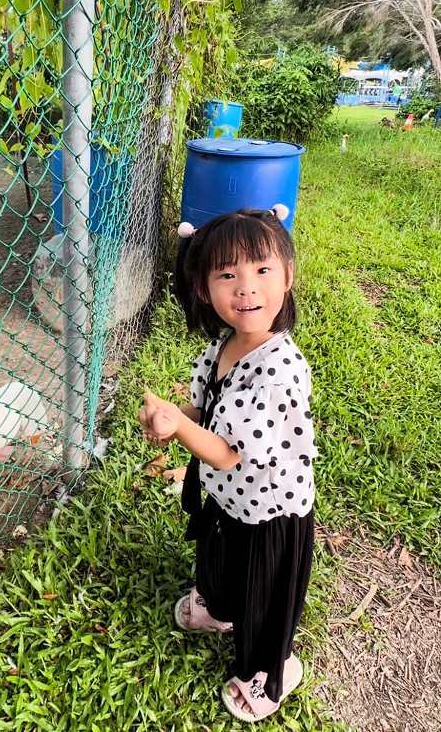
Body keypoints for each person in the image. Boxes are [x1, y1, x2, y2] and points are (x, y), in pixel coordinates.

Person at [138, 206, 317, 723]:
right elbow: (207, 413)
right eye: (227, 274)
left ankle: (273, 669)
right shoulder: (223, 346)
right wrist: (176, 418)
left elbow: (226, 449)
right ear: (203, 288)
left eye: (262, 270)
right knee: (220, 560)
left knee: (265, 594)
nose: (246, 287)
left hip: (272, 510)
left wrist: (179, 427)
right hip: (228, 495)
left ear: (288, 276)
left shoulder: (279, 368)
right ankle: (217, 609)